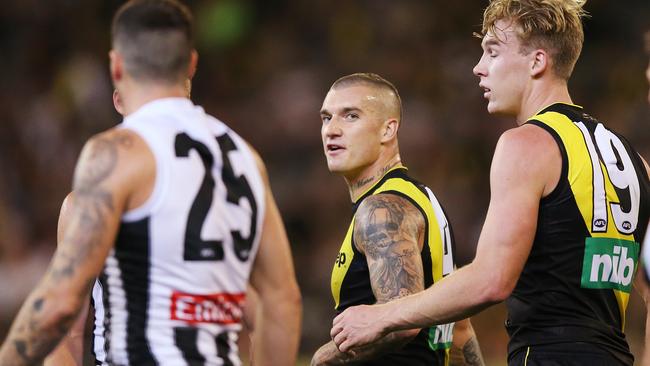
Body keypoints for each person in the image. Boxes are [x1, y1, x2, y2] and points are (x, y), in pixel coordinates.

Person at [330, 1, 650, 365]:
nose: (478, 68)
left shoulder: (527, 144)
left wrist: (382, 315)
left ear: (537, 62)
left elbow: (492, 279)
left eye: (492, 52)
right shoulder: (634, 161)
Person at [0, 0, 301, 365]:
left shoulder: (116, 154)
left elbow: (61, 306)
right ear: (190, 63)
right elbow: (282, 301)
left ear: (116, 66)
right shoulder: (246, 158)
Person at [311, 73, 484, 365]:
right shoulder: (422, 200)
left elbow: (402, 321)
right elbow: (458, 330)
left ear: (388, 130)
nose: (332, 130)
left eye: (350, 116)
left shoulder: (382, 210)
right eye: (326, 118)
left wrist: (322, 358)